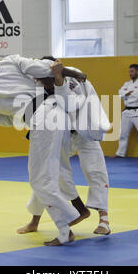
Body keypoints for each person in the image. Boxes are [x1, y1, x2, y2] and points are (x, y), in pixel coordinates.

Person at [0, 54, 87, 246]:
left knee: (39, 180)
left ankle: (68, 221)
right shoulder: (7, 61)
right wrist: (60, 71)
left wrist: (18, 117)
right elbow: (39, 69)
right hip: (59, 111)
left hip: (41, 118)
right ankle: (66, 227)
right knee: (52, 174)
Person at [18, 59, 111, 236]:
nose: (43, 82)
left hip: (86, 131)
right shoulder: (40, 84)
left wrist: (61, 82)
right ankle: (35, 220)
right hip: (64, 135)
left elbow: (71, 103)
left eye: (45, 78)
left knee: (96, 171)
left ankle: (104, 220)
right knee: (45, 173)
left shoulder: (72, 80)